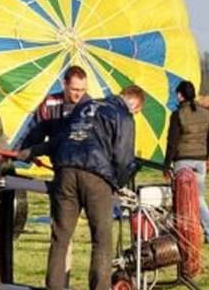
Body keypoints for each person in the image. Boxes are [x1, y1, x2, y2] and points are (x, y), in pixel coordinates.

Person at [47, 85, 143, 290]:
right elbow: (124, 158)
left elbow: (63, 137)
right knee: (101, 239)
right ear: (134, 104)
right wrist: (118, 183)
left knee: (60, 237)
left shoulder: (86, 105)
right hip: (96, 175)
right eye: (136, 112)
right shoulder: (123, 115)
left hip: (65, 170)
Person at [164, 80, 209, 243]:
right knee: (199, 198)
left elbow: (172, 142)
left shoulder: (177, 115)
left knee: (180, 197)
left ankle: (182, 233)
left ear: (180, 96)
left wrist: (166, 165)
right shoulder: (206, 114)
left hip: (182, 161)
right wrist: (206, 156)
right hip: (200, 161)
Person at [17, 64, 91, 161]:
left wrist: (36, 150)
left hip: (84, 164)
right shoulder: (50, 103)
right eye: (75, 89)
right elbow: (34, 134)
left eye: (83, 90)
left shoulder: (90, 107)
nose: (79, 94)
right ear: (64, 84)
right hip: (60, 164)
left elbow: (71, 141)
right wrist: (16, 154)